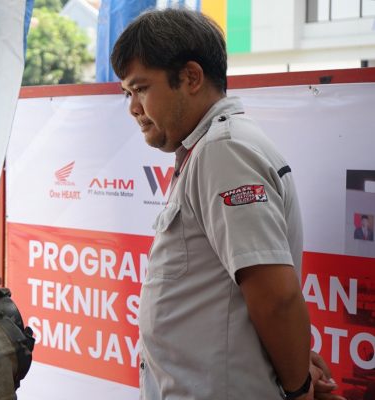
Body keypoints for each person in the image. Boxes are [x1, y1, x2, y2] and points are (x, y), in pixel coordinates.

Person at [111, 8, 343, 400]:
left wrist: (298, 390)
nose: (133, 107)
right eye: (127, 94)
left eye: (141, 89)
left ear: (191, 77)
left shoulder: (224, 151)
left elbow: (276, 297)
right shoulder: (208, 149)